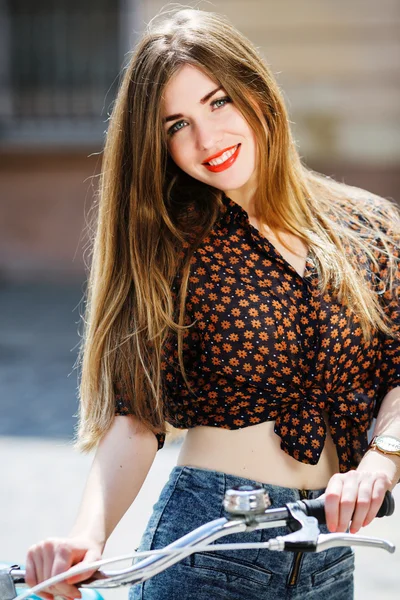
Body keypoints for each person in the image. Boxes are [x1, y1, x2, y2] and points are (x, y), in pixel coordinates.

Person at [26, 6, 400, 600]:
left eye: (218, 102)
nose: (206, 140)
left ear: (256, 90)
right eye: (176, 125)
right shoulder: (172, 244)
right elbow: (137, 415)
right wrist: (86, 536)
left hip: (330, 557)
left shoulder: (371, 228)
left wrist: (381, 462)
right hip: (206, 547)